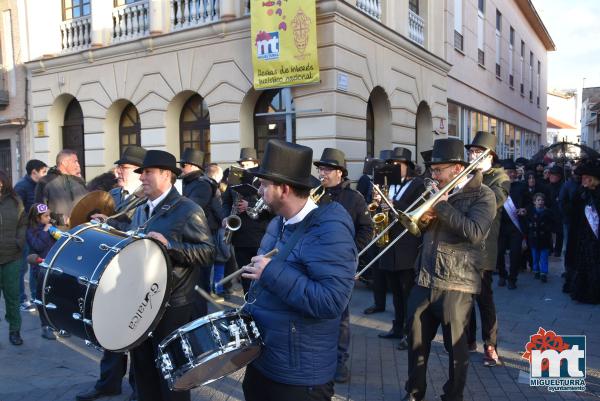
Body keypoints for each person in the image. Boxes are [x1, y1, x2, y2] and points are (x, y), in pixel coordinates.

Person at [240, 139, 357, 401]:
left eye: (264, 184)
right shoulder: (277, 223)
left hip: (300, 377)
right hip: (264, 361)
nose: (258, 190)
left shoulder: (329, 228)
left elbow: (331, 301)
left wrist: (270, 273)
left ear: (283, 188)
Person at [96, 150, 215, 401]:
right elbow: (134, 235)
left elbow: (207, 253)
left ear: (166, 175)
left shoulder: (188, 209)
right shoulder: (142, 208)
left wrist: (170, 246)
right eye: (141, 173)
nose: (142, 178)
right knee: (143, 370)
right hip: (141, 300)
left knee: (172, 375)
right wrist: (109, 226)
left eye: (148, 172)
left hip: (173, 304)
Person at [403, 138, 496, 401]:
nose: (433, 176)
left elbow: (475, 233)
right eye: (433, 170)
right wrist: (424, 218)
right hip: (424, 277)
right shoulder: (437, 191)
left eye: (438, 170)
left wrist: (441, 206)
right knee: (415, 343)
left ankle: (452, 396)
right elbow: (418, 230)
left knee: (456, 351)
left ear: (457, 169)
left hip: (458, 282)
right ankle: (413, 393)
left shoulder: (483, 195)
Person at [76, 146, 146, 401]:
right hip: (110, 269)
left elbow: (137, 229)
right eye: (119, 167)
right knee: (109, 328)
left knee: (137, 332)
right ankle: (109, 382)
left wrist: (112, 224)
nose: (118, 171)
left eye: (124, 168)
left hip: (136, 271)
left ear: (140, 172)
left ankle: (140, 387)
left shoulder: (146, 197)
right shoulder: (113, 194)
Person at [314, 147, 372, 383]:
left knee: (340, 316)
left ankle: (339, 362)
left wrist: (350, 253)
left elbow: (367, 229)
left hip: (340, 266)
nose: (322, 173)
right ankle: (318, 359)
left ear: (340, 172)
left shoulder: (354, 198)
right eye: (320, 169)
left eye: (326, 169)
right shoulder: (313, 194)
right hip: (314, 263)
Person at [464, 132, 509, 367]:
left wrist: (472, 179)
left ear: (489, 155)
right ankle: (468, 340)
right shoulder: (468, 175)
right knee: (465, 297)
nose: (471, 155)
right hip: (464, 245)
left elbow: (490, 202)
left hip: (484, 247)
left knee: (484, 299)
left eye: (476, 152)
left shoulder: (500, 178)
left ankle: (490, 346)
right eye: (470, 152)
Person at [376, 147, 424, 353]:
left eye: (399, 165)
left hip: (406, 245)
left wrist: (394, 203)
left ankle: (409, 332)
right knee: (394, 291)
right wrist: (378, 204)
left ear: (408, 167)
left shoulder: (417, 184)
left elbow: (415, 210)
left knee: (407, 292)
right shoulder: (388, 185)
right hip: (389, 245)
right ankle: (397, 327)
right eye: (392, 165)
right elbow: (381, 211)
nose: (394, 167)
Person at [222, 147, 272, 294]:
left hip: (258, 235)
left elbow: (270, 205)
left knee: (259, 275)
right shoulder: (234, 178)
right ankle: (247, 303)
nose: (245, 167)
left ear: (255, 163)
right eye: (243, 164)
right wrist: (225, 216)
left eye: (248, 164)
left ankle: (258, 304)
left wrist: (248, 205)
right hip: (239, 236)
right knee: (244, 274)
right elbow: (225, 201)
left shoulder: (261, 179)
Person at [179, 148, 223, 313]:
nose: (181, 169)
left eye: (183, 165)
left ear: (191, 165)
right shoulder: (189, 182)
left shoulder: (202, 184)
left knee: (199, 286)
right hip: (189, 239)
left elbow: (191, 208)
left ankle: (200, 321)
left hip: (200, 240)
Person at [14, 159, 48, 312]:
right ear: (34, 172)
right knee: (22, 268)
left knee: (36, 265)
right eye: (43, 172)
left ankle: (35, 297)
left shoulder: (40, 186)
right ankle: (21, 299)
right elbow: (17, 213)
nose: (45, 175)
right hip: (25, 233)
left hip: (37, 233)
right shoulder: (21, 187)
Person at [363, 149, 393, 315]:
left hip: (390, 230)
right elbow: (369, 202)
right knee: (376, 270)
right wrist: (374, 201)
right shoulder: (374, 181)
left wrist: (383, 202)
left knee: (392, 274)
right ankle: (378, 303)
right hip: (377, 229)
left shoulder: (395, 183)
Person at [0, 169, 27, 346]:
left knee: (12, 296)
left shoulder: (15, 200)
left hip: (12, 256)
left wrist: (19, 242)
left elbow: (23, 223)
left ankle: (14, 330)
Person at [25, 203, 59, 340]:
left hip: (52, 266)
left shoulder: (50, 227)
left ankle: (57, 324)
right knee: (42, 299)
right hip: (39, 270)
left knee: (55, 297)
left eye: (49, 215)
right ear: (38, 218)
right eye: (46, 216)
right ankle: (45, 326)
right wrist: (46, 232)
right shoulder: (30, 231)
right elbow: (37, 246)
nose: (49, 218)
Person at [568, 160, 600, 304]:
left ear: (592, 179)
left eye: (586, 177)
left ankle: (594, 292)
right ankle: (582, 290)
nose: (582, 179)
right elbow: (574, 212)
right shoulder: (581, 192)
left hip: (595, 236)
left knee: (595, 262)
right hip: (583, 234)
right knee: (582, 262)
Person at [34, 149, 88, 227]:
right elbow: (39, 212)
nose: (78, 165)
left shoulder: (79, 181)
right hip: (57, 235)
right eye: (75, 161)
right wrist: (60, 220)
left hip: (80, 232)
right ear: (64, 163)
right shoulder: (45, 182)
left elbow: (87, 204)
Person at [496, 159, 527, 289]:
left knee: (515, 253)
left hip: (516, 226)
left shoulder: (521, 186)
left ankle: (512, 278)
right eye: (508, 172)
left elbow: (529, 203)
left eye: (513, 172)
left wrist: (525, 209)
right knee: (499, 252)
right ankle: (502, 275)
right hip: (501, 226)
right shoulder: (498, 187)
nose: (511, 174)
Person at [524, 193, 554, 283]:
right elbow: (527, 223)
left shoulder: (548, 212)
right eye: (538, 200)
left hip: (544, 239)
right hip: (534, 239)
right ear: (534, 202)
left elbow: (552, 223)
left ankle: (544, 273)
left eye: (542, 200)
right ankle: (536, 270)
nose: (540, 202)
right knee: (535, 256)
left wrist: (547, 228)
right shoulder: (531, 212)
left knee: (544, 257)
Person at [547, 165, 564, 256]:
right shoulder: (547, 186)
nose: (552, 176)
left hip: (559, 212)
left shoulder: (563, 186)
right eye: (551, 174)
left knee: (559, 232)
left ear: (560, 176)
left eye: (555, 175)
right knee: (548, 231)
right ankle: (549, 248)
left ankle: (558, 250)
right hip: (549, 211)